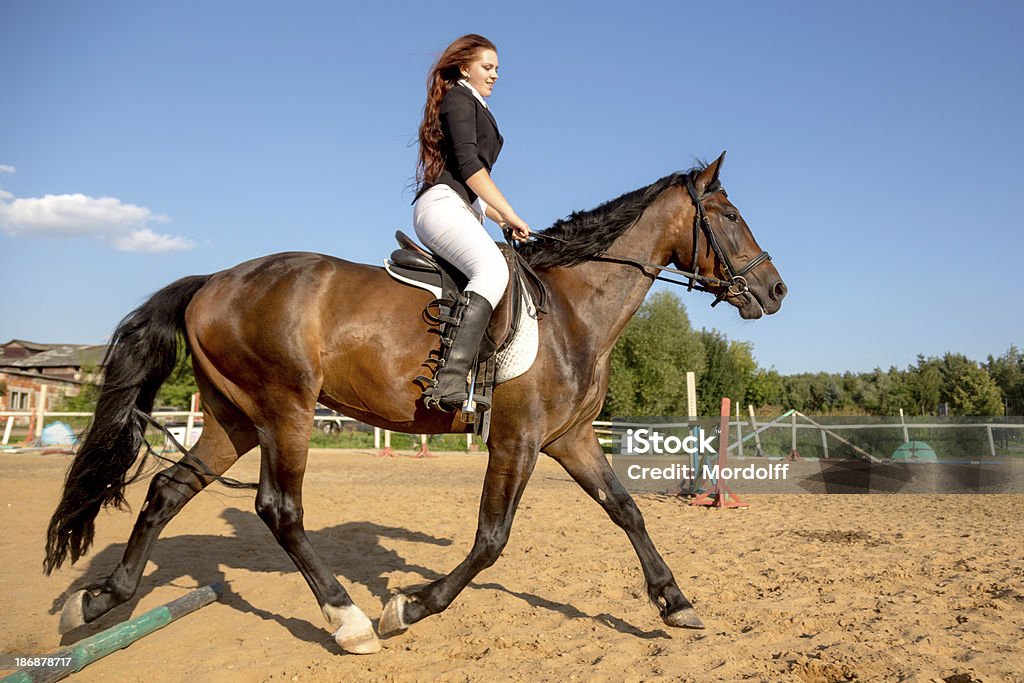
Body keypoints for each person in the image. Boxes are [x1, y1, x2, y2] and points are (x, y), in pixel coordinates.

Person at [413, 34, 530, 412]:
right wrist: (510, 212)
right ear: (465, 68)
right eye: (488, 67)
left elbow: (476, 189)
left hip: (464, 206)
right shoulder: (459, 98)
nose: (496, 74)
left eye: (497, 68)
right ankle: (449, 381)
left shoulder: (476, 103)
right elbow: (469, 168)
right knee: (493, 271)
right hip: (442, 206)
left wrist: (501, 220)